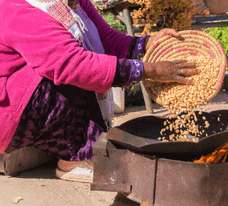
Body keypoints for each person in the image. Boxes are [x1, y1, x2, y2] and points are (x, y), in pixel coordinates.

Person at [0, 0, 200, 183]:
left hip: (27, 106)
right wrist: (151, 70)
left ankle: (60, 141)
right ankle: (75, 158)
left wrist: (146, 44)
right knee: (75, 73)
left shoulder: (73, 2)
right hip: (7, 113)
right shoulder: (16, 7)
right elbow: (72, 64)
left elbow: (106, 39)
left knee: (86, 67)